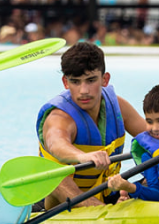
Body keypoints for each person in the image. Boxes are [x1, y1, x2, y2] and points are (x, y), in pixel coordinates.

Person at [35, 42, 148, 209]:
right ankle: (102, 211)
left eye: (90, 80)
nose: (84, 91)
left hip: (108, 192)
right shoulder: (59, 117)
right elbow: (56, 144)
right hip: (58, 202)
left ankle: (119, 203)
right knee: (54, 177)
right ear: (66, 83)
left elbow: (154, 138)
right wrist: (83, 157)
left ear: (105, 79)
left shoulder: (118, 107)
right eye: (75, 82)